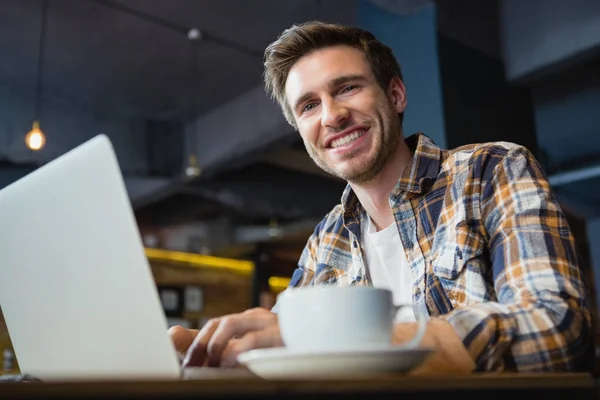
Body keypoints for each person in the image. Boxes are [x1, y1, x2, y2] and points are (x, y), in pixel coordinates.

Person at [169, 21, 594, 372]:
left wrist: (343, 340)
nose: (332, 115)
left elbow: (558, 329)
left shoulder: (491, 170)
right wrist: (210, 351)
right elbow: (281, 345)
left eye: (348, 88)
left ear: (395, 95)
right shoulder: (326, 240)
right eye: (309, 106)